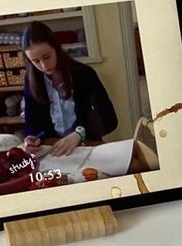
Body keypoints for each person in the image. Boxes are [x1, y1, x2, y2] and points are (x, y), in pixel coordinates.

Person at [21, 21, 118, 157]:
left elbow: (109, 119)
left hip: (86, 144)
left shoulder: (84, 73)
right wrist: (30, 136)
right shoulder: (30, 80)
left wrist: (79, 133)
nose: (43, 65)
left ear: (56, 48)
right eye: (35, 61)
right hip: (53, 148)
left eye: (47, 57)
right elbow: (31, 122)